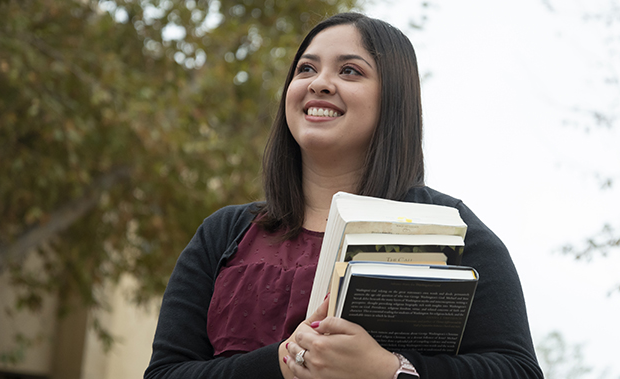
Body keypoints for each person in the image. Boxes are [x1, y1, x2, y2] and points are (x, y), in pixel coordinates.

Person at [144, 12, 543, 379]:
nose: (318, 83)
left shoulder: (450, 228)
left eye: (350, 71)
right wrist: (283, 362)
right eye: (306, 69)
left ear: (393, 100)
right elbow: (164, 373)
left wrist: (390, 369)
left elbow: (517, 370)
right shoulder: (223, 234)